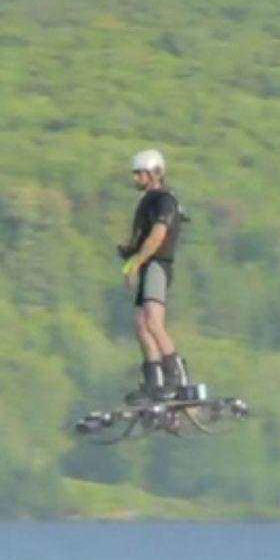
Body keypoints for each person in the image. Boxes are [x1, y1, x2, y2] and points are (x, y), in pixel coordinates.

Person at [117, 149, 190, 404]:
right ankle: (154, 381)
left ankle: (177, 378)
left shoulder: (164, 200)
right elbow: (140, 237)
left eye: (141, 174)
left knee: (153, 322)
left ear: (154, 173)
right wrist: (130, 257)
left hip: (157, 264)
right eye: (136, 174)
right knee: (141, 326)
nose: (137, 179)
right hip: (146, 264)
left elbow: (158, 236)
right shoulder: (146, 202)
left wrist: (137, 262)